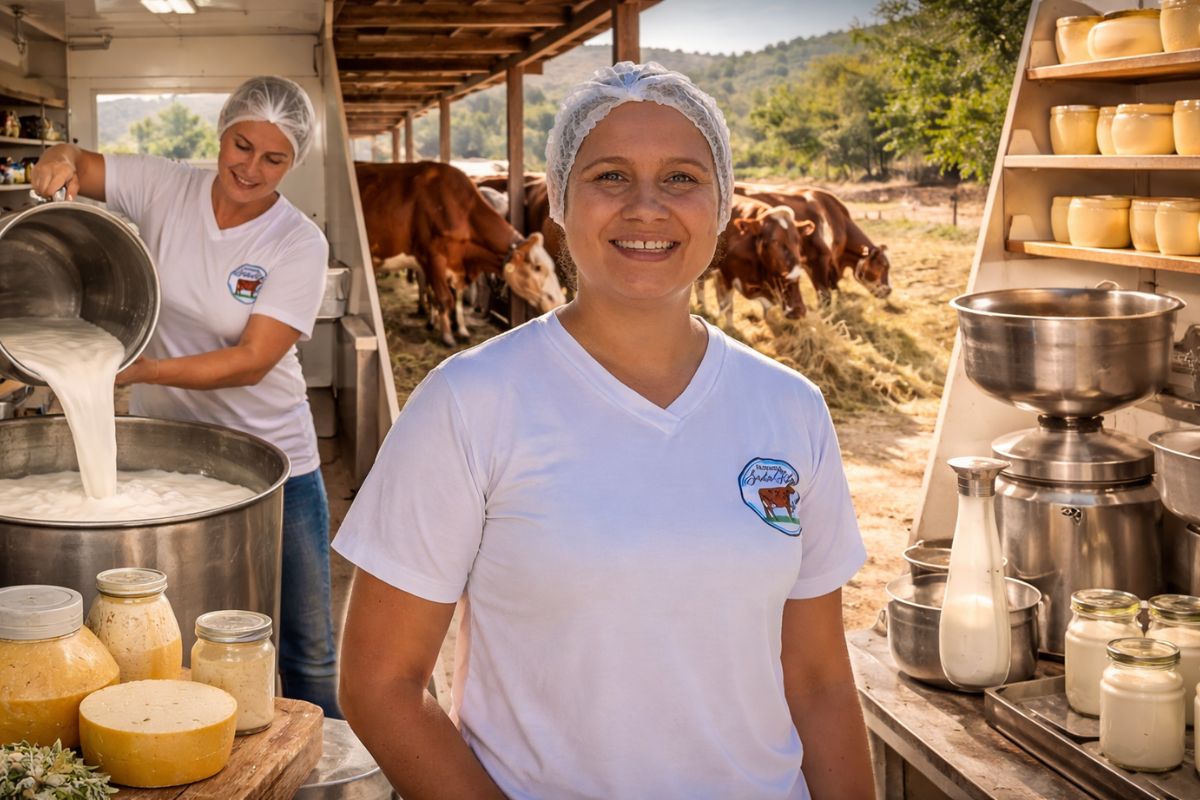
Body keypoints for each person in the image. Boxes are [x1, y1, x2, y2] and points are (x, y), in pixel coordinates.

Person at [334, 61, 873, 798]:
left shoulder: (790, 407)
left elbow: (817, 682)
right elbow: (380, 682)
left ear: (722, 206)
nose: (646, 207)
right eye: (610, 176)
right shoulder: (469, 402)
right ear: (556, 200)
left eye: (682, 178)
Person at [32, 76, 342, 719]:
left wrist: (143, 372)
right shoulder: (166, 186)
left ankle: (322, 771)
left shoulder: (296, 242)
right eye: (241, 144)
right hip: (168, 455)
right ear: (223, 132)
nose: (250, 167)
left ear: (294, 164)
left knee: (306, 648)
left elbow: (252, 360)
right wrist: (59, 158)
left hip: (275, 462)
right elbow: (79, 162)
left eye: (273, 158)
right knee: (182, 638)